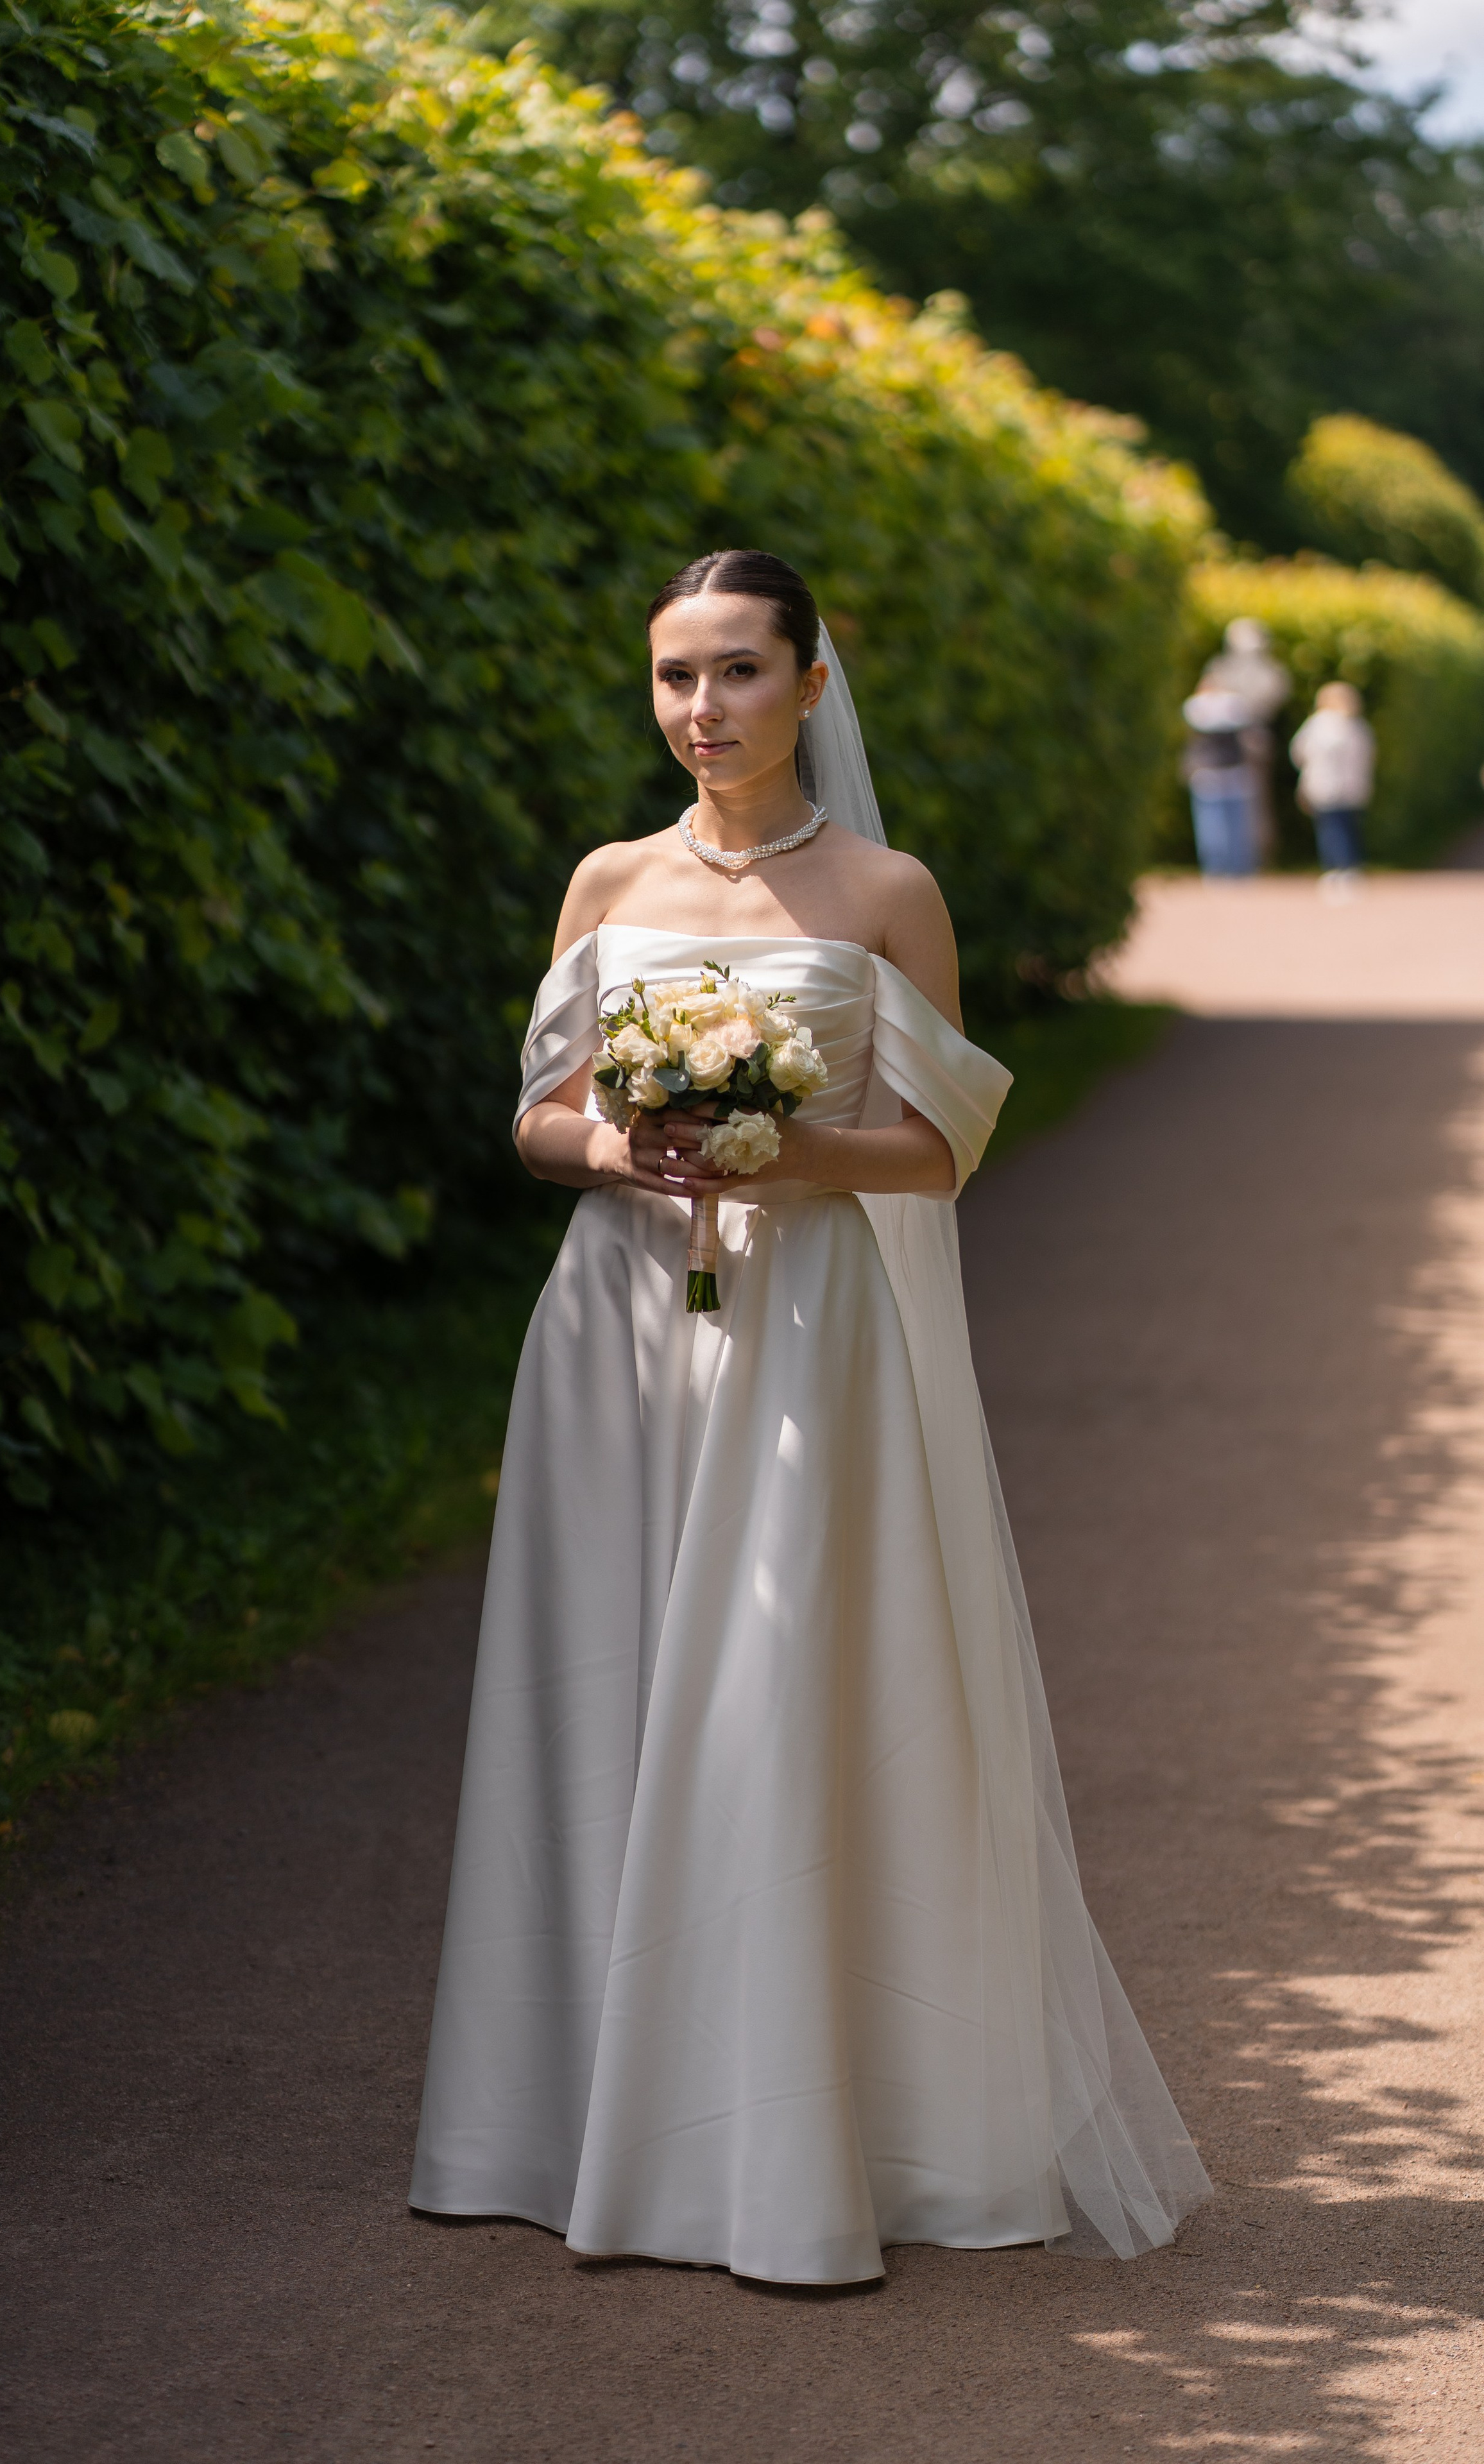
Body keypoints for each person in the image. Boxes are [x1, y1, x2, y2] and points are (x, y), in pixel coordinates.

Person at [409, 547, 1211, 2283]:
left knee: (786, 1686)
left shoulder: (884, 892)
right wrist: (631, 1147)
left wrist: (793, 1148)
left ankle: (808, 2133)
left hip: (815, 1332)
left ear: (812, 684)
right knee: (609, 1681)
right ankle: (574, 2119)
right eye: (677, 678)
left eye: (740, 674)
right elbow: (538, 1117)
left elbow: (943, 1149)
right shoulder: (609, 880)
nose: (704, 710)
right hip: (620, 1332)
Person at [1200, 618, 1291, 866]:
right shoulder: (1220, 669)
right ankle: (1228, 858)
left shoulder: (1271, 672)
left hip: (1254, 737)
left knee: (1256, 800)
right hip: (1223, 745)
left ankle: (1255, 853)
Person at [1290, 681, 1375, 883]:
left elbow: (1299, 753)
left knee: (1331, 831)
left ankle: (1336, 869)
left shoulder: (1318, 724)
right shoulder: (1357, 726)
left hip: (1325, 786)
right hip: (1349, 787)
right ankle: (1349, 867)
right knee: (1348, 829)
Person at [1181, 681, 1258, 876]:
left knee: (1226, 823)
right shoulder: (1203, 708)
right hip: (1213, 772)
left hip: (1227, 771)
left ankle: (1231, 867)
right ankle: (1221, 868)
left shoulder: (1226, 707)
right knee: (1216, 824)